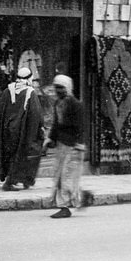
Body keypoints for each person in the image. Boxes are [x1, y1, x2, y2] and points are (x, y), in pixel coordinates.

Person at [0, 66, 45, 191]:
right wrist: (39, 127)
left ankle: (22, 179)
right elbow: (36, 114)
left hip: (8, 130)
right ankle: (12, 181)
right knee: (26, 153)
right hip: (23, 131)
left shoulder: (7, 91)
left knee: (11, 155)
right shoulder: (30, 93)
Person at [44, 74, 84, 218]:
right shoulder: (57, 104)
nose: (58, 91)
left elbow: (81, 126)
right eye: (56, 88)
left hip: (73, 146)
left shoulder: (75, 105)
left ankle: (65, 207)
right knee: (60, 175)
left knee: (66, 177)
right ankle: (78, 200)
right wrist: (50, 139)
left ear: (67, 88)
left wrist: (79, 145)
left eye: (61, 88)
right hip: (62, 145)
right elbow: (56, 124)